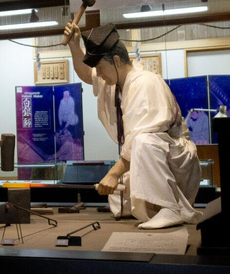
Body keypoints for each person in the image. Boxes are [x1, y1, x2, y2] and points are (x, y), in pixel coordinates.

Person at [65, 22, 201, 229]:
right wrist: (75, 46)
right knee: (120, 203)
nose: (98, 74)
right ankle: (159, 207)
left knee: (143, 141)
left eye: (100, 68)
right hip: (153, 157)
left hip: (173, 158)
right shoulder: (116, 81)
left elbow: (142, 136)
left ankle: (170, 208)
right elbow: (88, 75)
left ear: (117, 61)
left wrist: (113, 174)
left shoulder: (144, 82)